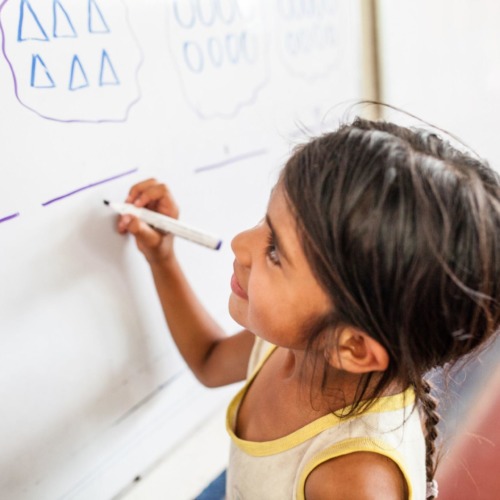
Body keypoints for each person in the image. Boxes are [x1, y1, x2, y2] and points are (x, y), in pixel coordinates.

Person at [116, 116, 500, 499]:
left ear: (351, 347)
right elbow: (211, 359)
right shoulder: (299, 342)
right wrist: (162, 259)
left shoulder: (352, 479)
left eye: (275, 252)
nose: (239, 243)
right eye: (265, 221)